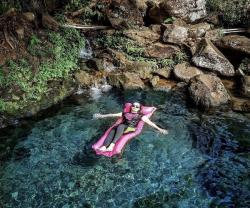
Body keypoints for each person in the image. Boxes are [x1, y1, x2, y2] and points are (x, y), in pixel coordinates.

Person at [93, 102, 168, 152]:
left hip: (131, 128)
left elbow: (151, 123)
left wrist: (160, 129)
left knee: (120, 126)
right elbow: (112, 114)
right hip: (122, 127)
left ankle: (112, 145)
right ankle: (104, 146)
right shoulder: (125, 113)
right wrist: (101, 116)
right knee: (113, 129)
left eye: (137, 106)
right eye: (133, 106)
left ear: (139, 109)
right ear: (131, 107)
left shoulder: (141, 116)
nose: (134, 107)